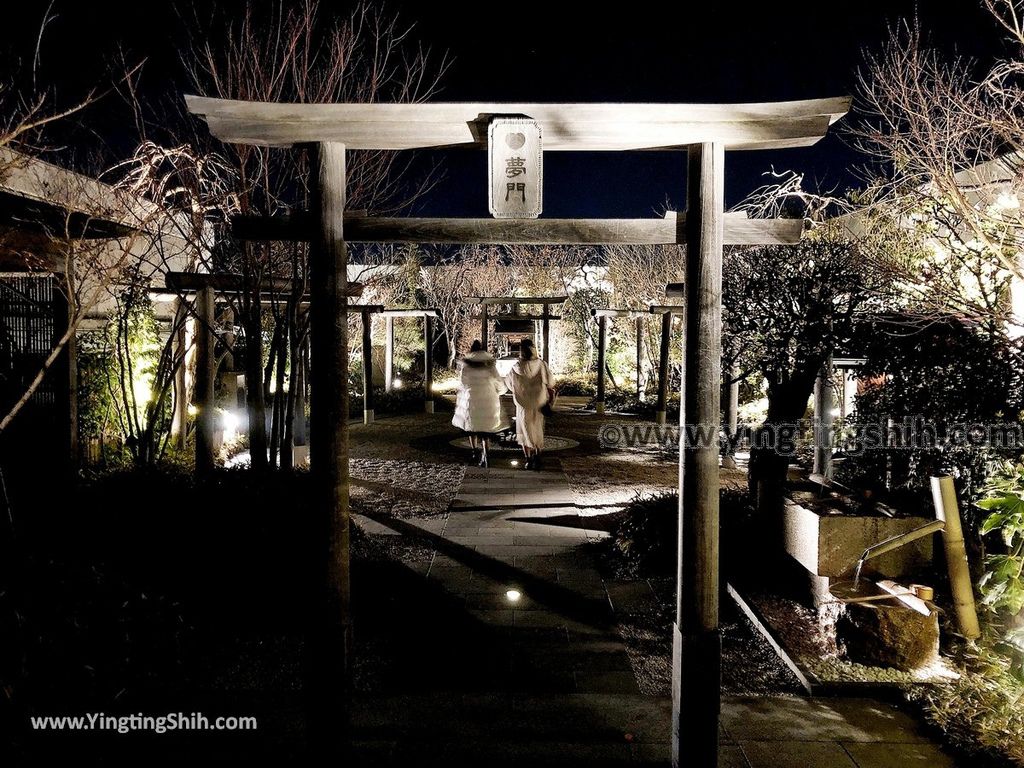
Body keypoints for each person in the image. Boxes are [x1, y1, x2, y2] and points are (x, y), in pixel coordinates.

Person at [451, 340, 508, 468]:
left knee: (473, 427)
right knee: (485, 430)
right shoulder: (489, 364)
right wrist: (501, 391)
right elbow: (498, 381)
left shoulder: (466, 365)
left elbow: (463, 383)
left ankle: (474, 450)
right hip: (489, 399)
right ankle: (486, 454)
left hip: (472, 399)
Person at [505, 338, 555, 470]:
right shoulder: (541, 364)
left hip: (523, 404)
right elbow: (551, 382)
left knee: (523, 431)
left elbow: (509, 384)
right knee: (537, 429)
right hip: (539, 402)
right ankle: (538, 456)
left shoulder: (516, 368)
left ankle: (528, 459)